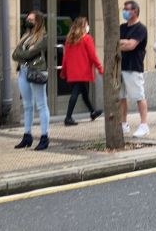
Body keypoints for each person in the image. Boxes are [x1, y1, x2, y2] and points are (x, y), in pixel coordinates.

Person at [12, 10, 51, 150]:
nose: (28, 21)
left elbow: (29, 54)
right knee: (27, 105)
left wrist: (23, 54)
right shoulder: (25, 36)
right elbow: (14, 54)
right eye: (27, 19)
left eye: (31, 20)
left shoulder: (43, 37)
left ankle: (44, 137)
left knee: (41, 104)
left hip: (36, 72)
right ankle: (27, 135)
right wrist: (24, 54)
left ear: (38, 22)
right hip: (23, 72)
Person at [60, 16, 104, 127]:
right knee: (75, 93)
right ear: (83, 26)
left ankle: (92, 112)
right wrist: (100, 68)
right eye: (87, 24)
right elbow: (93, 56)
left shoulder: (69, 39)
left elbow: (65, 57)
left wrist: (64, 71)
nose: (88, 26)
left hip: (72, 71)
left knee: (84, 92)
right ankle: (68, 117)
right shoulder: (87, 39)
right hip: (82, 71)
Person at [119, 0, 150, 138]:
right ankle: (123, 124)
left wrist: (123, 43)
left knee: (139, 96)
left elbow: (131, 46)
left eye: (127, 9)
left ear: (135, 11)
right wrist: (124, 43)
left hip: (133, 67)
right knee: (121, 97)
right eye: (124, 9)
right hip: (120, 66)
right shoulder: (122, 27)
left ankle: (144, 125)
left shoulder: (140, 28)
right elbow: (116, 43)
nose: (124, 11)